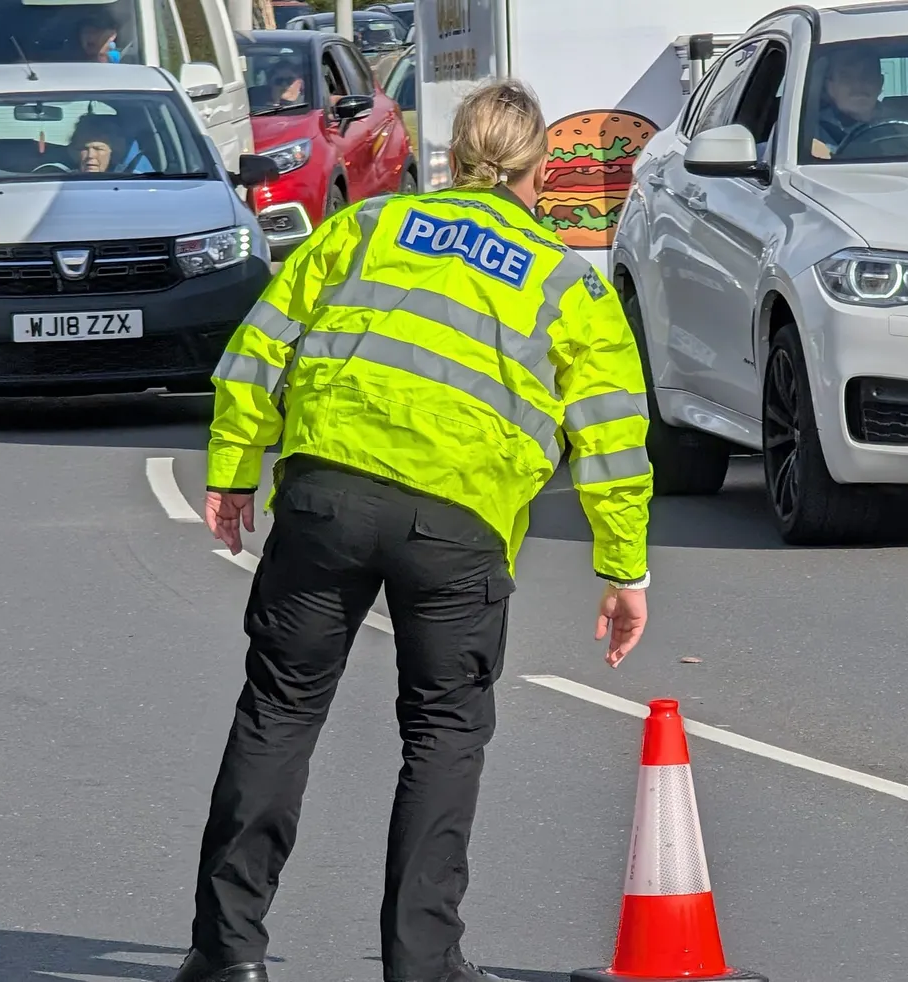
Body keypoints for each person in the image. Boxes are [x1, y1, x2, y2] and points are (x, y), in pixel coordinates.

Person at [172, 78, 653, 982]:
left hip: (327, 498)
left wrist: (235, 471)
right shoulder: (565, 281)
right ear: (540, 170)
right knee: (442, 735)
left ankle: (229, 954)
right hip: (457, 529)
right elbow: (614, 438)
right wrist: (624, 570)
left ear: (451, 156)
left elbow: (258, 349)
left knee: (278, 713)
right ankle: (422, 966)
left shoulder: (361, 230)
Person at [810, 47, 885, 158]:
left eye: (867, 74)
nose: (858, 84)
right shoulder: (809, 132)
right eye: (846, 76)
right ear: (830, 86)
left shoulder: (907, 128)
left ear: (880, 82)